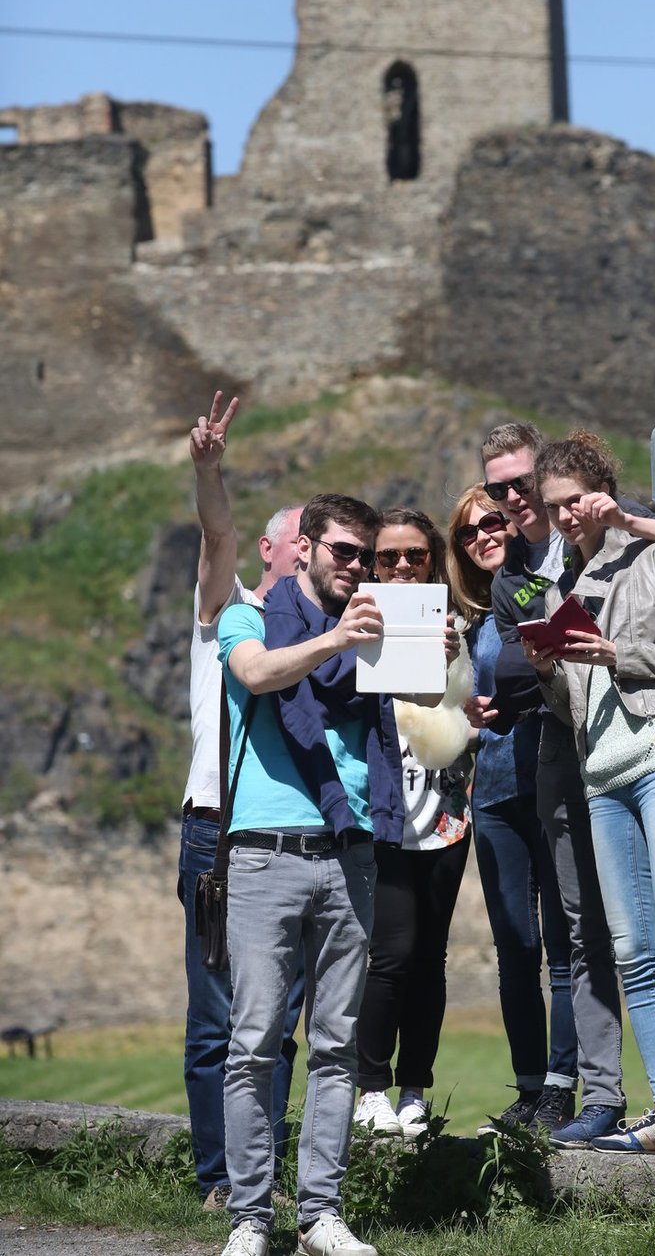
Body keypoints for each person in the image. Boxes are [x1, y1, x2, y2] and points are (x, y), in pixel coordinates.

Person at [475, 421, 655, 1147]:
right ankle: (620, 1099)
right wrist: (542, 663)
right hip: (570, 751)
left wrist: (627, 525)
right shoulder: (518, 568)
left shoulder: (613, 529)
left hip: (645, 745)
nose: (515, 501)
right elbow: (519, 664)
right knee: (597, 934)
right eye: (501, 490)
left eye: (523, 485)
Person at [524, 432, 655, 1159]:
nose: (563, 517)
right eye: (551, 508)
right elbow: (570, 704)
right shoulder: (559, 592)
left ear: (600, 491)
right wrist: (548, 668)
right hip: (602, 777)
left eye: (572, 501)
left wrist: (620, 654)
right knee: (633, 948)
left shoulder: (649, 555)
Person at [217, 492, 403, 1256]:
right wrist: (335, 640)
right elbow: (257, 674)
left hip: (350, 853)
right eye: (343, 552)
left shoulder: (372, 633)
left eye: (365, 555)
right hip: (265, 852)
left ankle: (321, 1214)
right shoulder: (250, 618)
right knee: (255, 1040)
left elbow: (424, 709)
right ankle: (250, 1219)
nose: (356, 566)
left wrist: (438, 658)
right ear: (304, 551)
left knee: (336, 1046)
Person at [179, 390, 304, 1207]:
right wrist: (209, 469)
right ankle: (220, 1179)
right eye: (309, 541)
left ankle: (263, 1172)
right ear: (270, 548)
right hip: (217, 830)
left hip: (290, 833)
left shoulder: (321, 629)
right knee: (219, 1018)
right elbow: (215, 532)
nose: (331, 555)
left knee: (281, 1025)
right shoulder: (231, 609)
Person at [446, 484, 578, 1134]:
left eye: (492, 522)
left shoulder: (538, 585)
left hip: (550, 779)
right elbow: (435, 721)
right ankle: (529, 1088)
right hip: (493, 791)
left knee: (562, 941)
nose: (484, 536)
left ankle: (562, 1088)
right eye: (469, 532)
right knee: (515, 948)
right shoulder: (461, 622)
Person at [353, 507, 472, 1140]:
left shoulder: (456, 629)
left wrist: (452, 666)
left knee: (430, 958)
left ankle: (414, 1088)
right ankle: (369, 1086)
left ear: (434, 563)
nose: (402, 567)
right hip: (382, 817)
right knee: (391, 953)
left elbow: (462, 720)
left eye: (416, 557)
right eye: (388, 557)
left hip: (444, 816)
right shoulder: (355, 624)